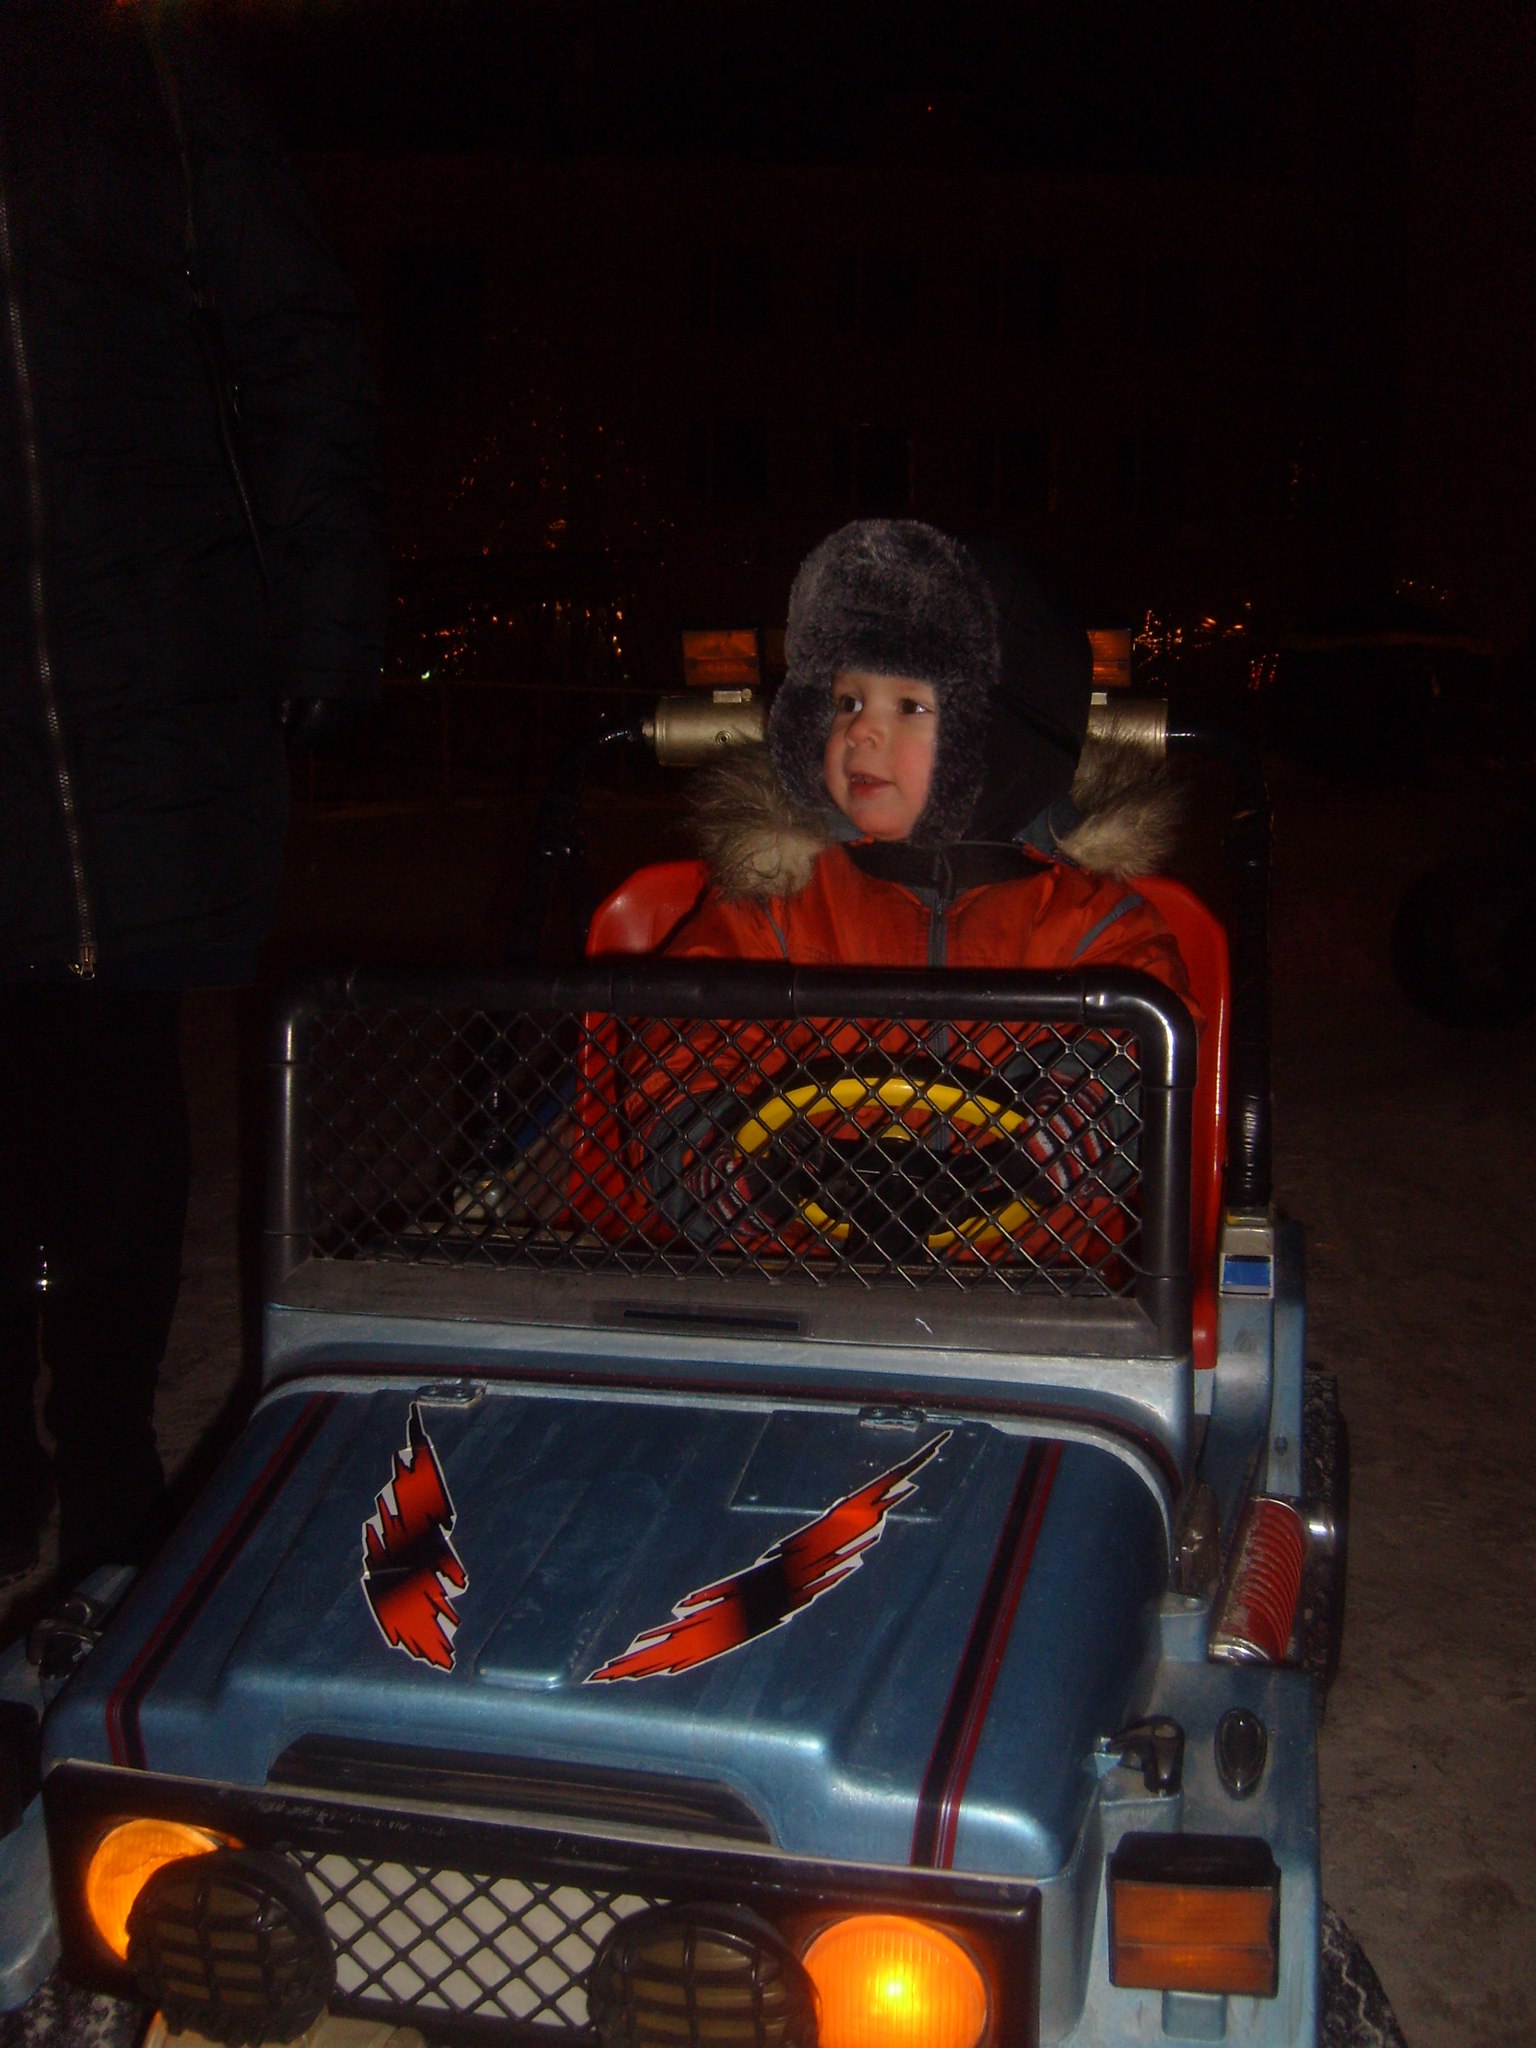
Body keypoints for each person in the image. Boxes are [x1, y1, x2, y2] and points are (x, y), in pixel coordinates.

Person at [0, 0, 384, 1582]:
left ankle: (105, 1444)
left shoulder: (147, 64)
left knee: (113, 1069)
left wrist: (330, 607)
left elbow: (296, 334)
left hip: (143, 642)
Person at [568, 519, 1194, 1261]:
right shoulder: (776, 901)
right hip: (804, 1267)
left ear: (1003, 739)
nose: (861, 733)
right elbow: (679, 1057)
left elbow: (1137, 1064)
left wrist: (1025, 1159)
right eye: (846, 702)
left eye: (910, 707)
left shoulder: (1091, 922)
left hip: (1031, 1273)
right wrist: (756, 1175)